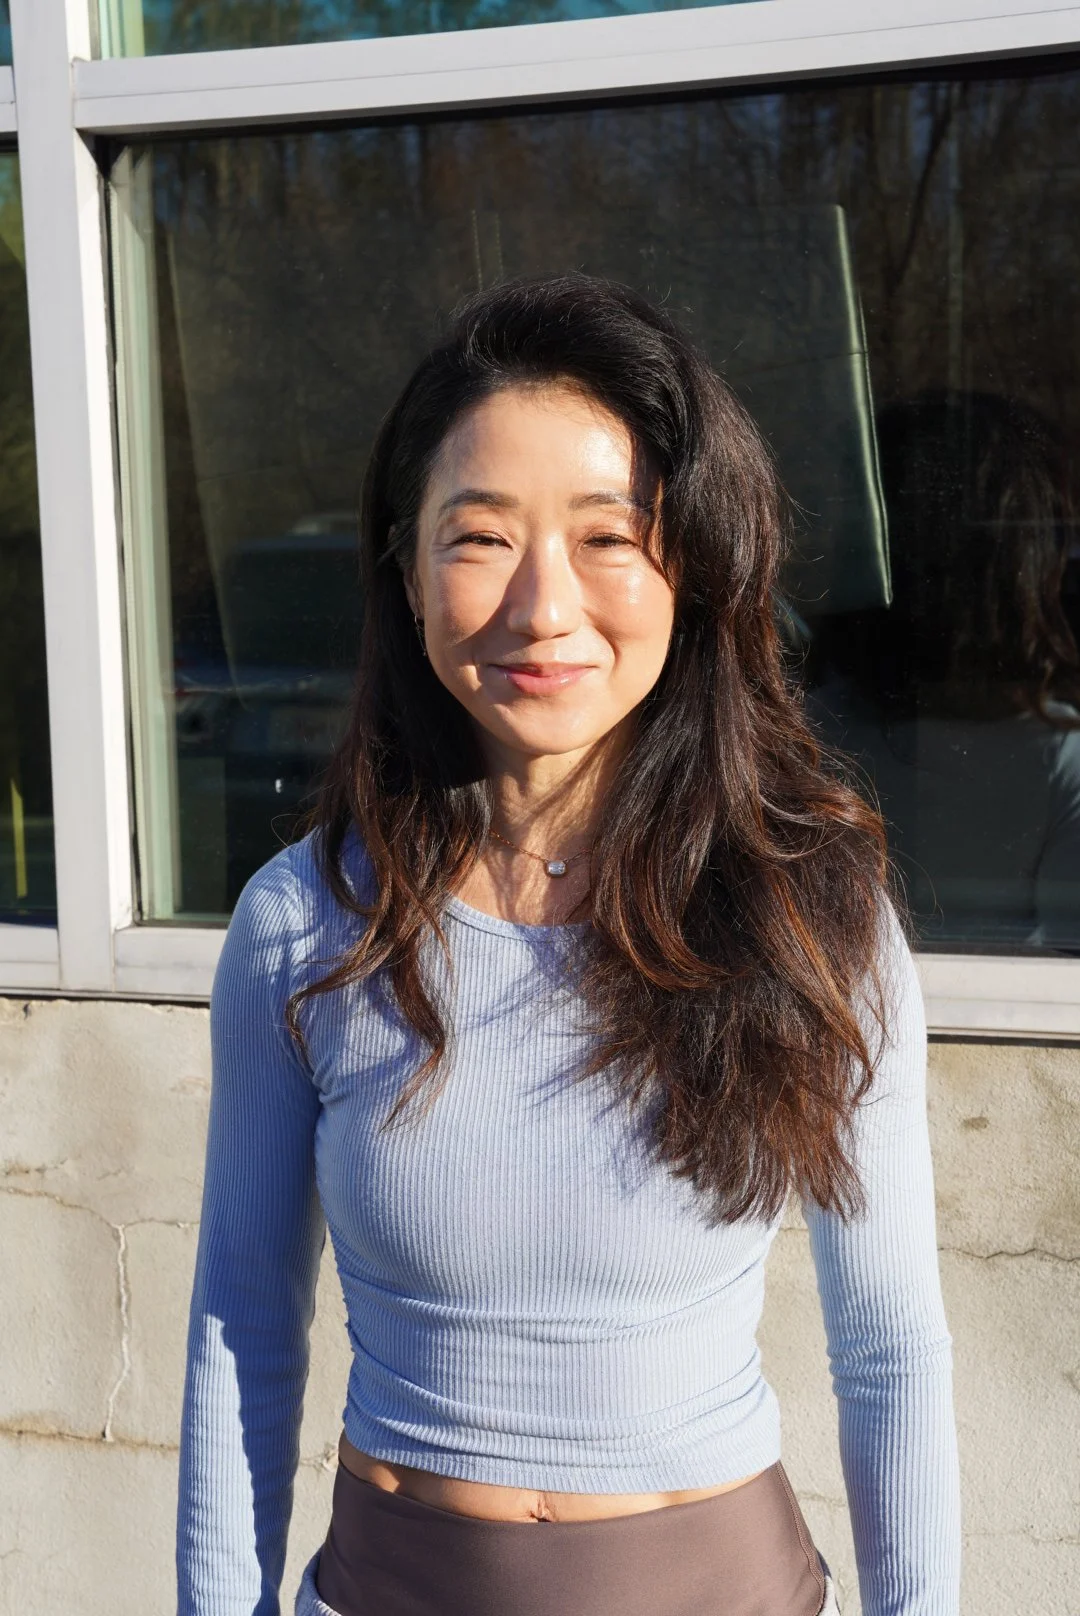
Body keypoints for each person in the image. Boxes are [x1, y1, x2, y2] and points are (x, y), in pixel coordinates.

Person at [176, 274, 961, 1616]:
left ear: (694, 566)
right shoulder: (307, 924)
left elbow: (889, 1347)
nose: (544, 607)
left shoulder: (812, 913)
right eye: (481, 535)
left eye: (609, 535)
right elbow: (239, 1324)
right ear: (406, 570)